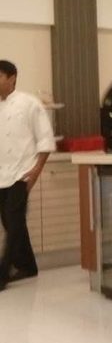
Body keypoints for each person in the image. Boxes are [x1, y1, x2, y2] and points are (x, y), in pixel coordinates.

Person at [0, 60, 56, 291]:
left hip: (22, 172)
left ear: (12, 78)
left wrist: (36, 170)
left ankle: (2, 273)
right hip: (1, 173)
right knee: (10, 221)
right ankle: (28, 265)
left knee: (13, 221)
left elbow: (45, 139)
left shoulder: (29, 103)